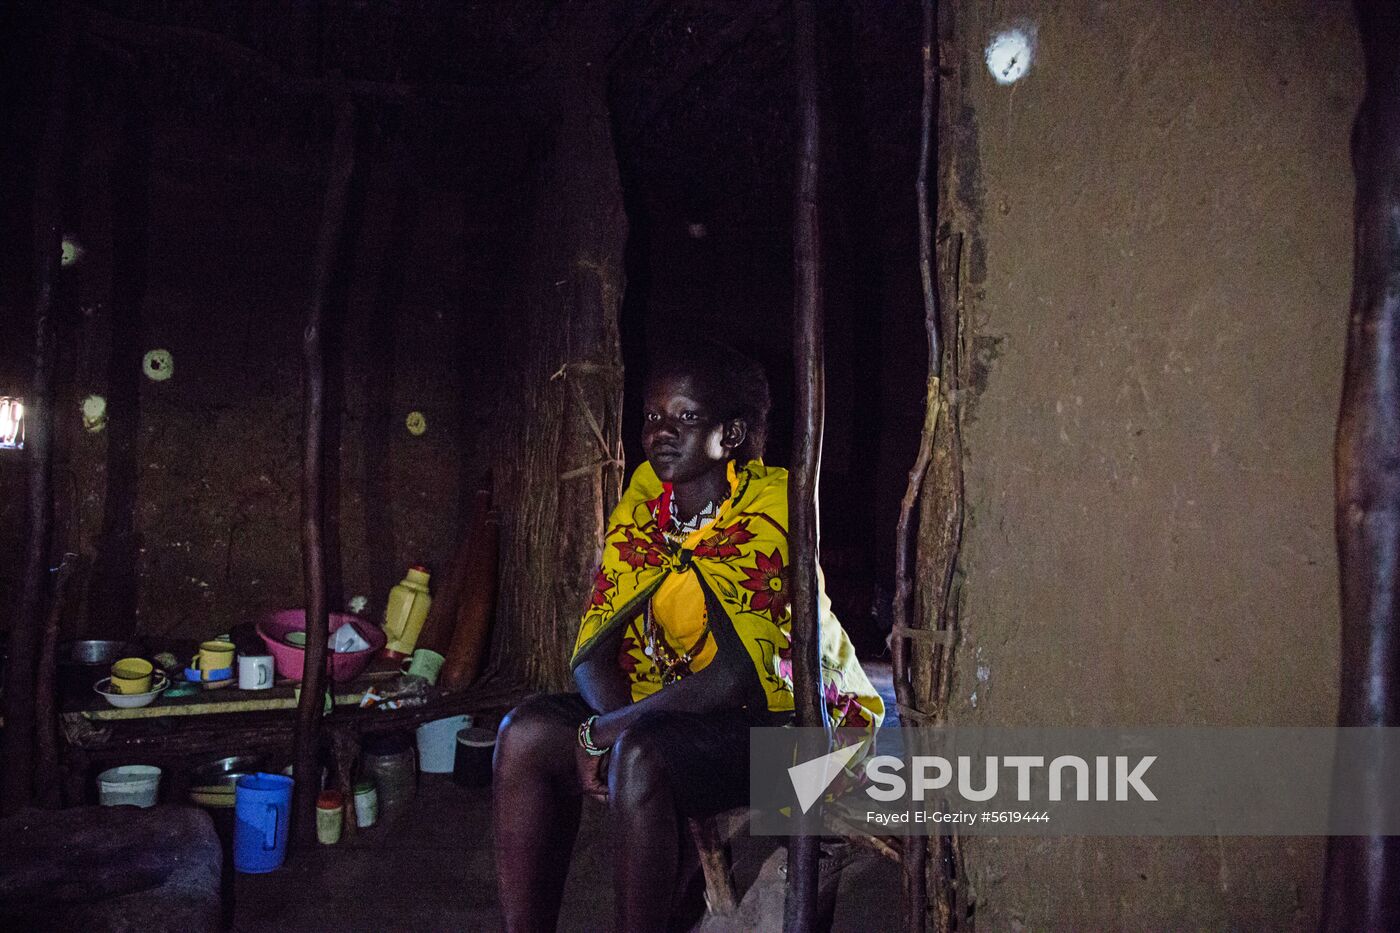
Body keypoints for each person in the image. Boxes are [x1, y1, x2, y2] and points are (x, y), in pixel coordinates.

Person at [493, 340, 883, 932]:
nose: (661, 432)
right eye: (653, 417)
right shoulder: (649, 499)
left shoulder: (773, 503)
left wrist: (615, 733)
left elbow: (736, 678)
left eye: (685, 416)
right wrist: (613, 733)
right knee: (523, 735)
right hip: (676, 704)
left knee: (642, 757)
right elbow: (595, 645)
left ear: (730, 435)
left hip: (791, 728)